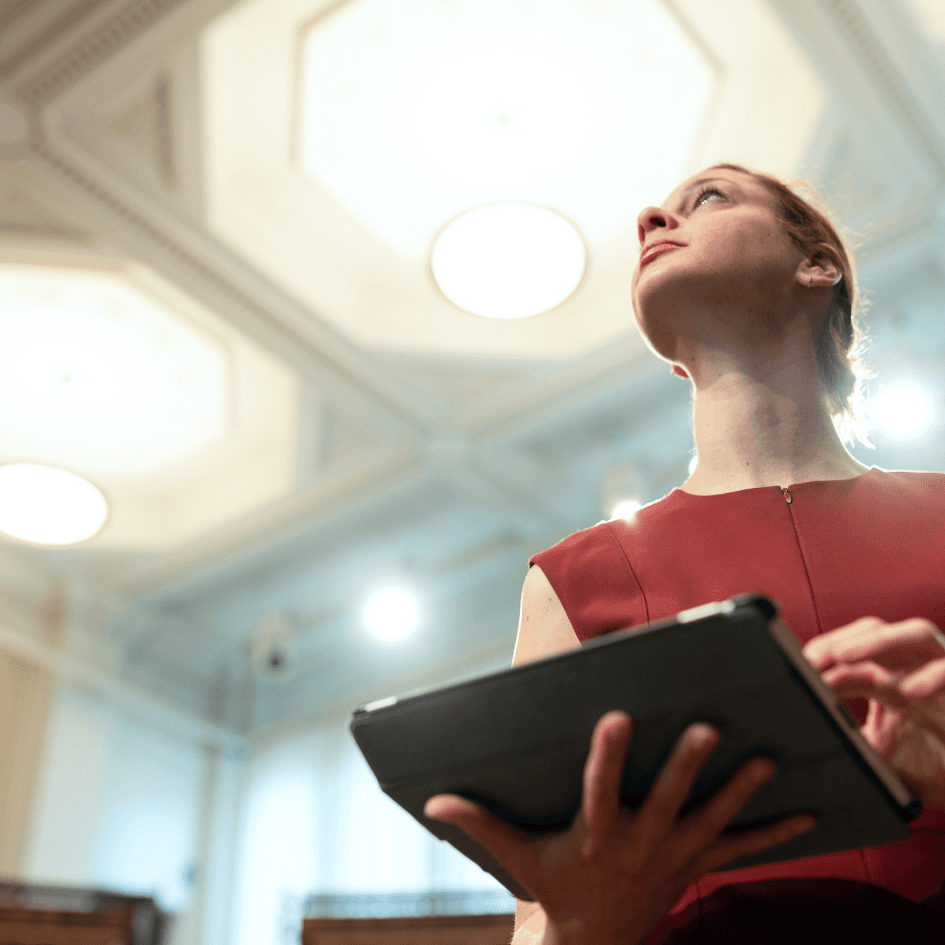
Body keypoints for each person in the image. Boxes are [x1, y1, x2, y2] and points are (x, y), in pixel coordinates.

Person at [424, 163, 945, 944]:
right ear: (671, 362)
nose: (648, 219)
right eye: (655, 213)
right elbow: (538, 912)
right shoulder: (570, 580)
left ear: (818, 265)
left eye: (707, 197)